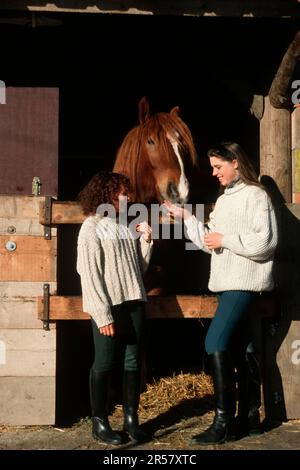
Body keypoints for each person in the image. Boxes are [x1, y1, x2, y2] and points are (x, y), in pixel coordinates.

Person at [164, 142, 278, 445]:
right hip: (230, 281)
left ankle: (223, 421)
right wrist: (187, 218)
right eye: (213, 167)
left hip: (243, 283)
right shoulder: (225, 200)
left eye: (218, 166)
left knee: (214, 341)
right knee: (244, 348)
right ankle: (250, 417)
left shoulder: (257, 196)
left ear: (235, 162)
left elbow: (265, 243)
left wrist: (226, 239)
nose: (214, 173)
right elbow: (208, 241)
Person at [77, 171, 153, 445]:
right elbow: (89, 275)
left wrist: (144, 242)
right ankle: (100, 422)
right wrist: (101, 314)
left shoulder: (121, 225)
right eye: (123, 192)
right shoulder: (91, 227)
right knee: (105, 362)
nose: (128, 196)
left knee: (133, 361)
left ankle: (131, 419)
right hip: (109, 307)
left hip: (134, 303)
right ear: (108, 194)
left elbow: (137, 270)